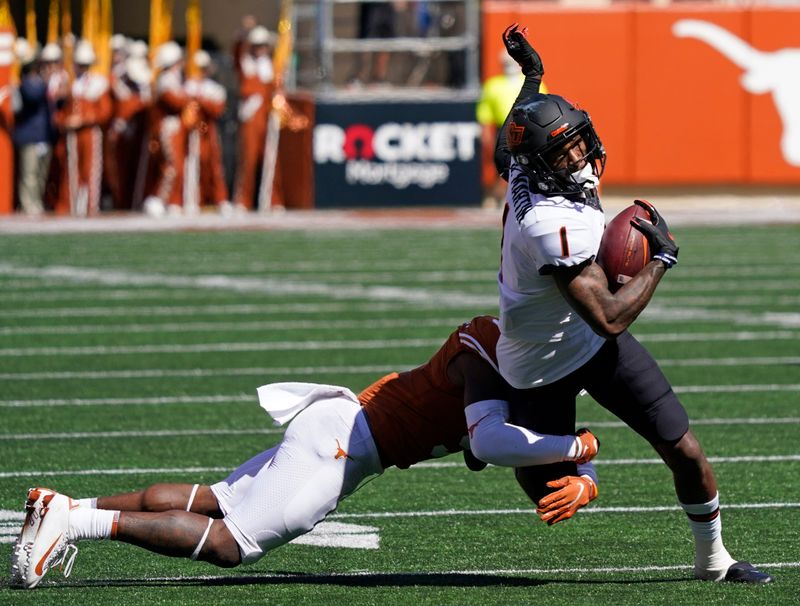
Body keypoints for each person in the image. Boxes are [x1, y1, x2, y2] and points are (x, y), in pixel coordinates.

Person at [11, 316, 600, 590]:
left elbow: (511, 445)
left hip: (340, 432)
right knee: (231, 544)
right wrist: (579, 446)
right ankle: (75, 522)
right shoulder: (487, 345)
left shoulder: (521, 375)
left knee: (214, 501)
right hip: (345, 446)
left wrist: (585, 477)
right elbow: (496, 444)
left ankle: (63, 504)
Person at [492, 24, 772, 584]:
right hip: (541, 359)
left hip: (586, 342)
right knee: (549, 491)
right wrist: (660, 260)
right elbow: (611, 315)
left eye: (579, 140)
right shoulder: (552, 222)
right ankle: (577, 458)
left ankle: (713, 560)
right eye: (566, 151)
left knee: (684, 447)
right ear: (545, 164)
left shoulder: (527, 164)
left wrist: (533, 78)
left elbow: (511, 138)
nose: (581, 155)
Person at [476, 46, 547, 209]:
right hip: (504, 129)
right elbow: (485, 116)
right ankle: (499, 200)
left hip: (529, 130)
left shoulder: (535, 83)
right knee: (503, 166)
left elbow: (544, 110)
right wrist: (486, 137)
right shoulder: (493, 85)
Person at [51, 39, 112, 216]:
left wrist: (83, 119)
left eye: (85, 65)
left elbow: (104, 112)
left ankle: (89, 206)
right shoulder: (69, 84)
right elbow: (60, 111)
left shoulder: (98, 84)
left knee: (90, 169)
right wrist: (64, 121)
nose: (83, 68)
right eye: (80, 64)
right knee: (71, 170)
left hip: (90, 132)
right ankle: (69, 205)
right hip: (72, 134)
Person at [232, 21, 279, 212]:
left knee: (269, 159)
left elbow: (274, 89)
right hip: (251, 117)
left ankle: (271, 200)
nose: (260, 49)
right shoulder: (246, 63)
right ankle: (242, 200)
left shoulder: (270, 66)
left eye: (263, 45)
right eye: (257, 45)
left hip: (266, 117)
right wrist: (245, 31)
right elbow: (236, 52)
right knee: (248, 160)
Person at [142, 41, 193, 217]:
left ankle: (173, 200)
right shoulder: (166, 81)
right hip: (167, 129)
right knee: (172, 166)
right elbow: (176, 102)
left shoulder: (174, 79)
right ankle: (159, 199)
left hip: (175, 128)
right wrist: (189, 97)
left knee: (177, 165)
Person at [185, 50, 231, 214]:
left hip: (208, 131)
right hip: (191, 131)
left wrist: (201, 99)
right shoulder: (188, 85)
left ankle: (220, 199)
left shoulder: (214, 88)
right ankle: (194, 199)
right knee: (192, 164)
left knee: (214, 166)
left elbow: (217, 109)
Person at [12, 40, 53, 216]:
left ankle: (37, 201)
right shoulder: (26, 83)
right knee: (29, 174)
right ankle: (28, 204)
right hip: (30, 135)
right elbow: (33, 96)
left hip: (43, 135)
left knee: (40, 174)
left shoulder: (39, 83)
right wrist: (47, 82)